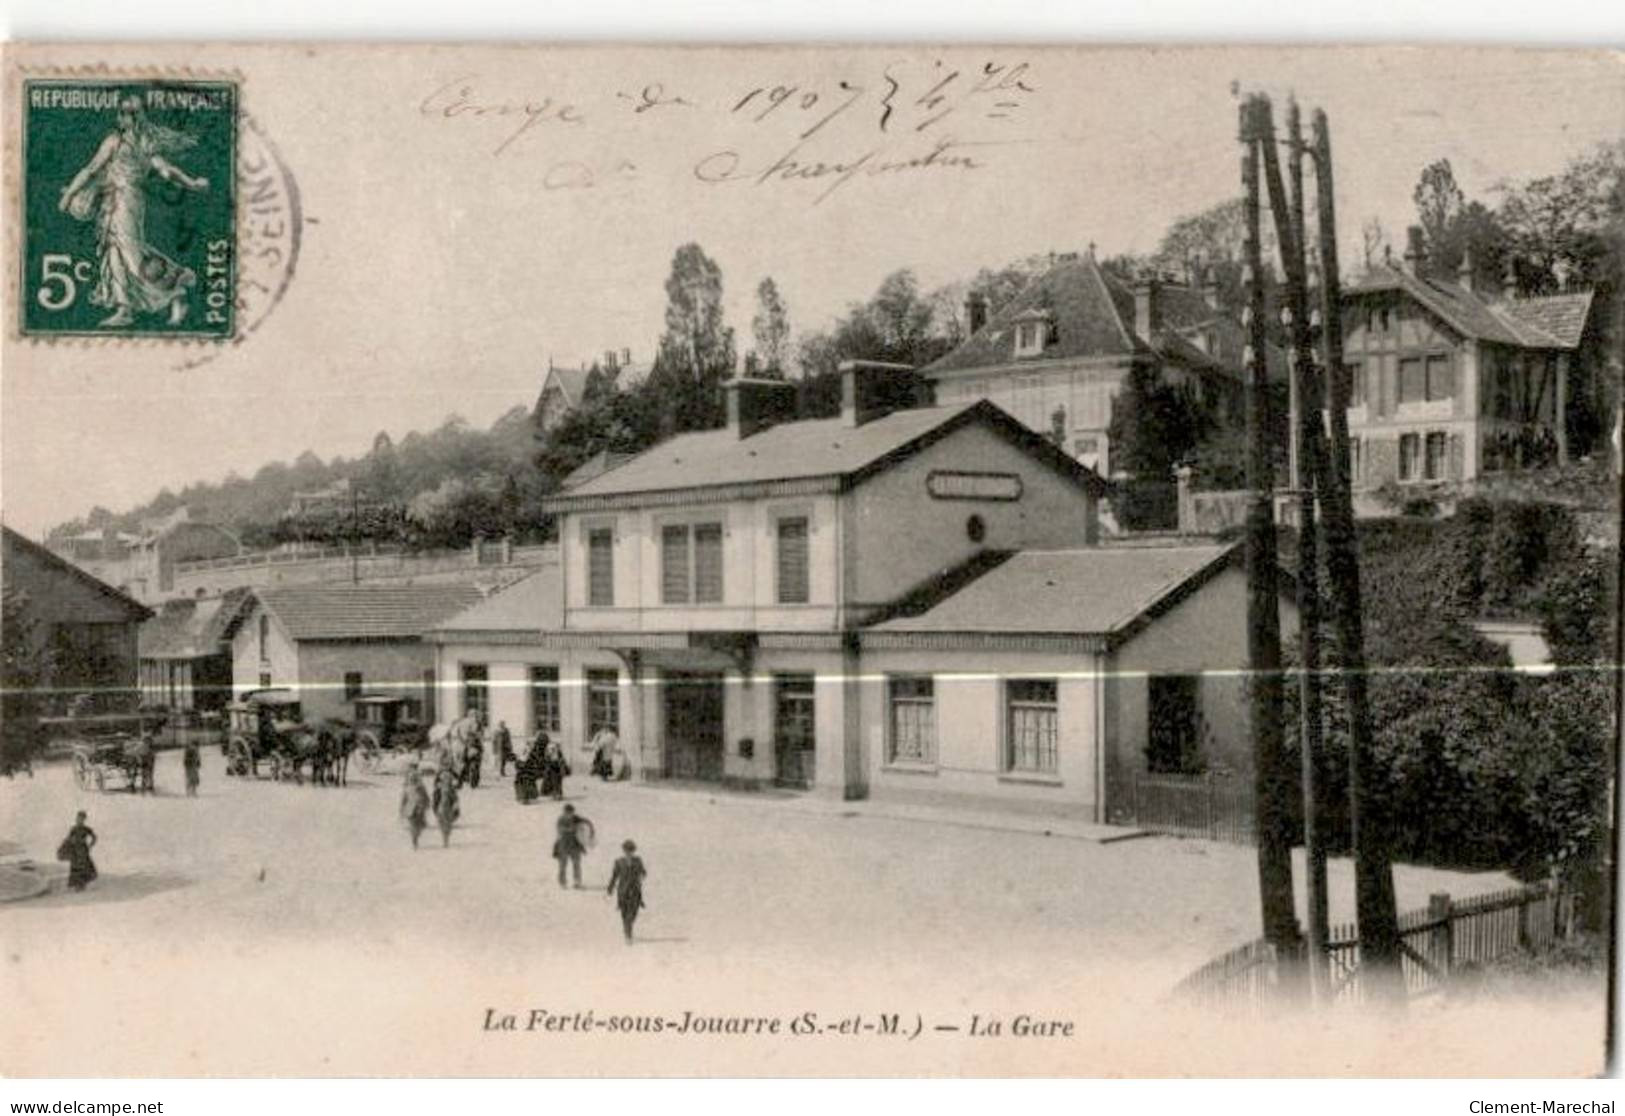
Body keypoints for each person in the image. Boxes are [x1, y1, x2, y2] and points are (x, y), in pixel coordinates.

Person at [57, 94, 210, 329]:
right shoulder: (138, 142)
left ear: (134, 116)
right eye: (122, 113)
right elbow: (165, 171)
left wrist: (69, 195)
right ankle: (125, 308)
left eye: (127, 114)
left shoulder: (123, 141)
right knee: (116, 251)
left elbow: (91, 170)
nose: (123, 118)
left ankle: (174, 288)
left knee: (130, 252)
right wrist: (192, 184)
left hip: (125, 200)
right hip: (117, 200)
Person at [606, 839, 647, 944]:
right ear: (624, 851)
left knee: (633, 913)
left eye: (631, 850)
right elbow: (614, 877)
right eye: (627, 850)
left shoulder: (638, 861)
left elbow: (643, 872)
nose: (629, 852)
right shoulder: (619, 862)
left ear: (633, 851)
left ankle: (627, 929)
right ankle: (628, 934)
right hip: (623, 891)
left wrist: (642, 875)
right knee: (625, 914)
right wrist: (609, 890)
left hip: (635, 890)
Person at [552, 804, 595, 889]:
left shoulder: (576, 818)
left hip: (574, 844)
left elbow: (587, 821)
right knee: (562, 865)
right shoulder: (561, 819)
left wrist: (591, 829)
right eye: (567, 812)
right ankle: (562, 882)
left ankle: (577, 881)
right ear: (564, 812)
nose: (569, 814)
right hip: (563, 844)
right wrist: (571, 829)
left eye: (571, 812)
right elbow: (560, 829)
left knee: (576, 864)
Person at [58, 811, 98, 891]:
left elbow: (94, 837)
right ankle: (77, 885)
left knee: (85, 867)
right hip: (75, 850)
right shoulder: (73, 828)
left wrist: (90, 845)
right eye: (78, 818)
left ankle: (82, 885)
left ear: (84, 819)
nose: (80, 820)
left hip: (83, 850)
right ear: (76, 818)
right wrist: (66, 845)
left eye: (82, 818)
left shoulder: (86, 829)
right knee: (75, 867)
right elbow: (69, 838)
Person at [400, 767, 430, 850]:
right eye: (411, 778)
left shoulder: (422, 788)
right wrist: (401, 810)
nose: (412, 780)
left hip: (420, 809)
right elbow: (403, 800)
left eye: (414, 778)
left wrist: (427, 805)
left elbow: (426, 797)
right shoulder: (407, 789)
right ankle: (414, 840)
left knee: (420, 826)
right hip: (410, 810)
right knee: (412, 826)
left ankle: (417, 835)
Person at [433, 768, 461, 848]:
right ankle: (445, 839)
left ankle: (446, 840)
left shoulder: (451, 789)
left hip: (447, 809)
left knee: (447, 825)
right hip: (442, 808)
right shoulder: (440, 786)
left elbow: (455, 798)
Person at [514, 734, 543, 805]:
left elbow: (535, 762)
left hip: (528, 773)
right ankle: (524, 798)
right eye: (530, 744)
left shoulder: (533, 753)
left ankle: (527, 798)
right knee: (524, 785)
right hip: (523, 773)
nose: (531, 746)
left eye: (532, 744)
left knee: (528, 784)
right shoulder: (524, 752)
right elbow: (519, 762)